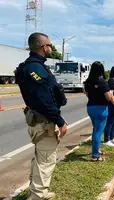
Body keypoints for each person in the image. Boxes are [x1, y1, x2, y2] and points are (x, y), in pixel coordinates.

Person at [14, 32, 68, 200]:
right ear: (44, 47)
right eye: (50, 45)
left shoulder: (30, 66)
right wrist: (59, 120)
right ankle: (38, 196)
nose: (51, 47)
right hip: (43, 121)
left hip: (37, 119)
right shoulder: (34, 68)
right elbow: (43, 99)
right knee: (46, 160)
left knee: (40, 158)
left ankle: (36, 191)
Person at [84, 61, 112, 161]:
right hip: (101, 108)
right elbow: (108, 98)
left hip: (90, 107)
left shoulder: (88, 81)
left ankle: (97, 149)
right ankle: (95, 156)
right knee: (98, 131)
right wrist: (111, 93)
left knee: (95, 129)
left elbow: (87, 94)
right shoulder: (103, 82)